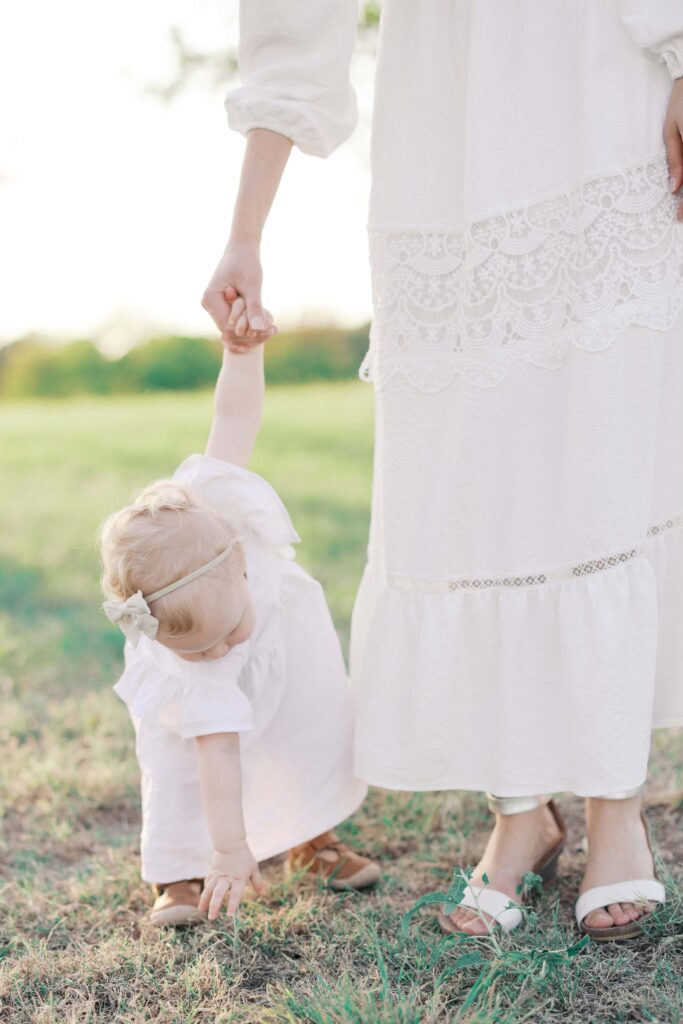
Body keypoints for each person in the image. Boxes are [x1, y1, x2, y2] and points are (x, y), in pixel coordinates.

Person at [203, 0, 683, 940]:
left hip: (597, 83)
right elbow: (293, 22)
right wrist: (245, 232)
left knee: (602, 445)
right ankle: (518, 808)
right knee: (473, 474)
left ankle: (613, 800)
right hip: (447, 127)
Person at [100, 335, 379, 926]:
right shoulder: (196, 670)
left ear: (240, 563)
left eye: (225, 632)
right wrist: (231, 850)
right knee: (177, 774)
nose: (221, 651)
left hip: (289, 661)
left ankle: (311, 839)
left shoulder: (219, 507)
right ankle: (177, 874)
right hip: (198, 732)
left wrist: (241, 350)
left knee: (303, 735)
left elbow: (235, 414)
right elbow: (218, 758)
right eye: (199, 646)